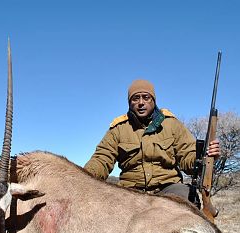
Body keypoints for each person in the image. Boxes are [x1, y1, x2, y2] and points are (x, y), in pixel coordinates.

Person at [84, 79, 220, 208]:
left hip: (169, 188)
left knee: (186, 200)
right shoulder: (118, 128)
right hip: (130, 190)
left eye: (146, 97)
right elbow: (102, 159)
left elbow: (188, 156)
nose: (141, 102)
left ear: (153, 100)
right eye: (135, 98)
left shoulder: (171, 124)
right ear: (129, 102)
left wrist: (206, 159)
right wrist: (82, 177)